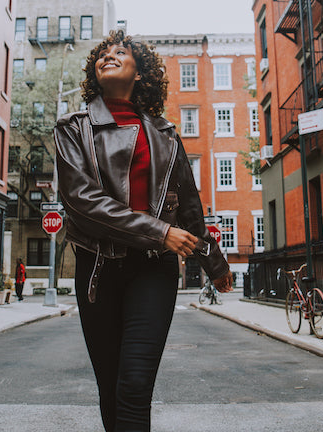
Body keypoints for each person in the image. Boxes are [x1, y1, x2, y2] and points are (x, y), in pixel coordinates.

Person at [54, 30, 232, 431]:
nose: (109, 56)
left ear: (140, 74)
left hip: (154, 269)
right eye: (103, 53)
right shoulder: (74, 127)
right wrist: (158, 231)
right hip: (97, 268)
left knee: (134, 384)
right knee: (111, 385)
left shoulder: (165, 134)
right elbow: (81, 202)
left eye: (121, 52)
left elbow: (188, 207)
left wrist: (214, 264)